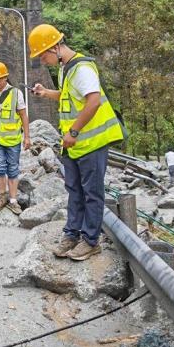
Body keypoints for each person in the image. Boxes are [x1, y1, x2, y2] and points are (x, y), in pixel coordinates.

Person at [29, 24, 124, 261]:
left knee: (92, 193)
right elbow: (68, 95)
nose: (43, 60)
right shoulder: (66, 68)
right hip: (74, 145)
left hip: (89, 142)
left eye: (43, 55)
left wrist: (73, 131)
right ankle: (71, 234)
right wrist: (46, 93)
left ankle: (91, 241)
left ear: (56, 47)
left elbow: (93, 102)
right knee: (74, 190)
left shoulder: (82, 68)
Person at [0, 62, 31, 214]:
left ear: (6, 77)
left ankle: (13, 200)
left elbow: (23, 115)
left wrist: (27, 137)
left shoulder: (16, 93)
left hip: (12, 138)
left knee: (13, 168)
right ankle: (2, 197)